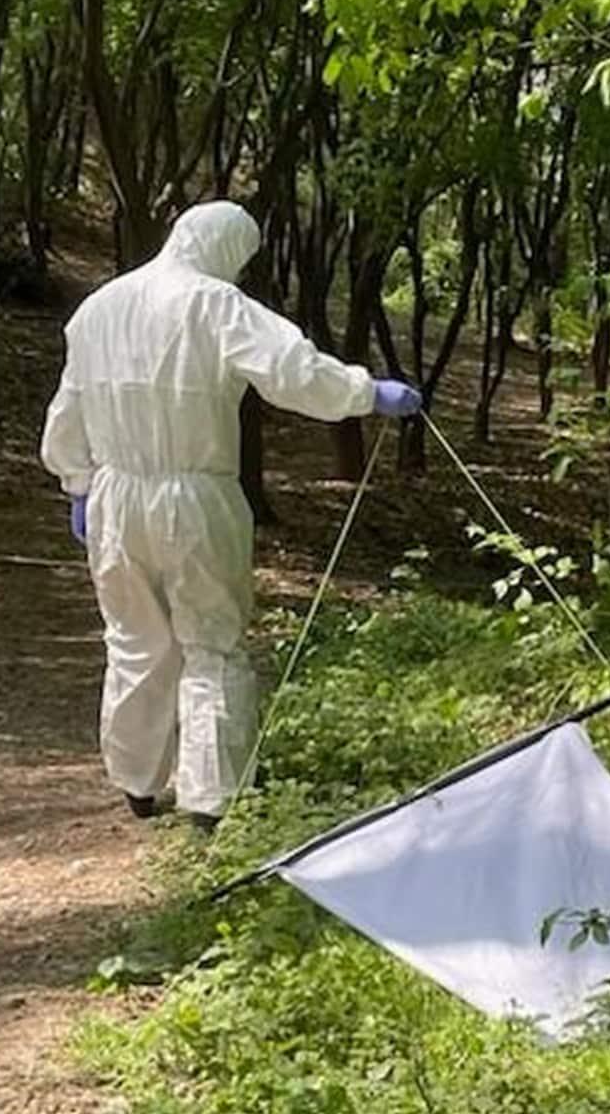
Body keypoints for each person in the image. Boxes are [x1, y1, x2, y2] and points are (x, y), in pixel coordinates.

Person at [40, 201, 421, 832]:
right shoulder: (215, 305)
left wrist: (77, 483)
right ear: (223, 249)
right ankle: (210, 797)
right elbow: (291, 368)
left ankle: (137, 780)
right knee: (211, 643)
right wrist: (366, 392)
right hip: (196, 501)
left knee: (136, 640)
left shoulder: (98, 308)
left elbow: (68, 407)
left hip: (114, 499)